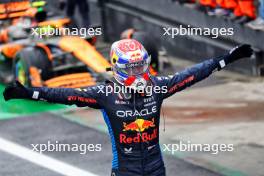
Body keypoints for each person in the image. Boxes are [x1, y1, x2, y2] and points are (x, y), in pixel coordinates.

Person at [3, 39, 253, 176]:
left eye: (141, 66)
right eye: (131, 68)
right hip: (126, 171)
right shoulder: (105, 93)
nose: (138, 72)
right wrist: (30, 92)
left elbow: (192, 74)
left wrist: (226, 59)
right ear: (118, 68)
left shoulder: (157, 86)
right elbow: (65, 95)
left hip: (156, 169)